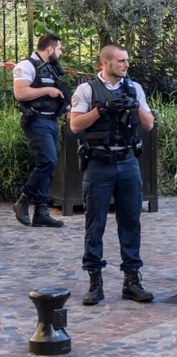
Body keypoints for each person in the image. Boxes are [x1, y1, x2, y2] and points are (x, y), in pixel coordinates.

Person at [69, 44, 156, 306]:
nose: (126, 65)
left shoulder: (134, 88)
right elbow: (74, 125)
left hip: (128, 162)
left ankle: (132, 280)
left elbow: (149, 124)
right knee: (95, 224)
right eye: (121, 61)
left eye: (127, 60)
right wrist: (101, 109)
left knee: (131, 222)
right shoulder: (86, 90)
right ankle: (95, 282)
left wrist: (133, 105)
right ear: (105, 63)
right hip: (99, 164)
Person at [11, 34, 69, 228]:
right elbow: (20, 93)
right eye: (59, 49)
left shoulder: (52, 69)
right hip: (36, 120)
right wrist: (46, 91)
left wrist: (67, 108)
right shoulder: (26, 66)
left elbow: (58, 93)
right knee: (48, 160)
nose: (60, 53)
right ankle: (23, 200)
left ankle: (41, 213)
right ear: (50, 49)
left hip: (51, 121)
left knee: (49, 164)